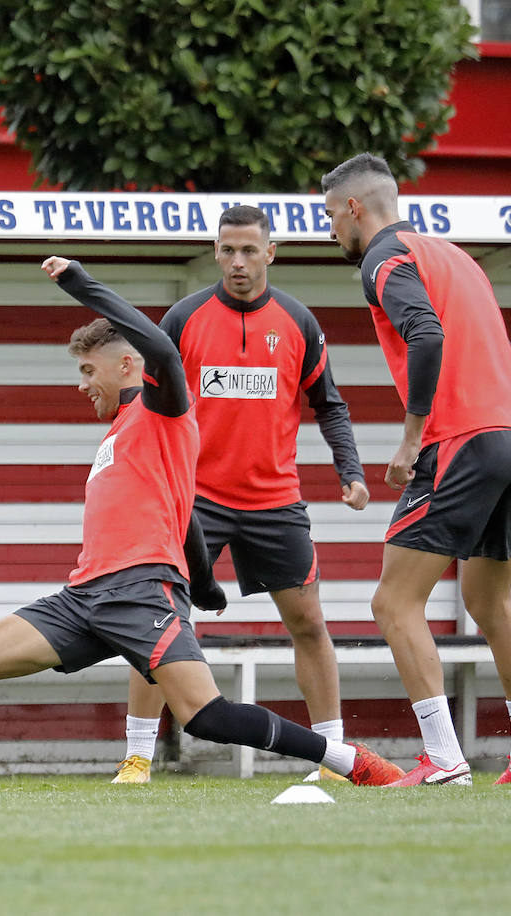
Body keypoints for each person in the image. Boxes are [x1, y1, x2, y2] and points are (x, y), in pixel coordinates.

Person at [0, 256, 404, 789]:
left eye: (87, 370)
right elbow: (179, 512)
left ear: (127, 366)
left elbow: (157, 345)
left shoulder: (162, 406)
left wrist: (81, 284)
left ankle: (350, 761)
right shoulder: (123, 437)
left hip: (138, 592)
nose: (81, 385)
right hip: (83, 597)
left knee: (208, 716)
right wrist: (206, 583)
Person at [112, 205, 369, 785]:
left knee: (308, 624)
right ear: (216, 253)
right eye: (228, 250)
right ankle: (135, 758)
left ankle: (331, 759)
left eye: (250, 250)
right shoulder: (182, 318)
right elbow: (148, 405)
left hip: (275, 502)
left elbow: (328, 403)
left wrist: (349, 471)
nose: (238, 262)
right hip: (194, 501)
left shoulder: (300, 323)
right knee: (158, 623)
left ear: (271, 254)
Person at [321, 153, 511, 786]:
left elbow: (424, 332)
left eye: (330, 218)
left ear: (354, 209)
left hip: (464, 439)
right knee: (487, 598)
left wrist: (411, 437)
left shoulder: (382, 258)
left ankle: (445, 759)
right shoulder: (457, 257)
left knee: (394, 601)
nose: (332, 233)